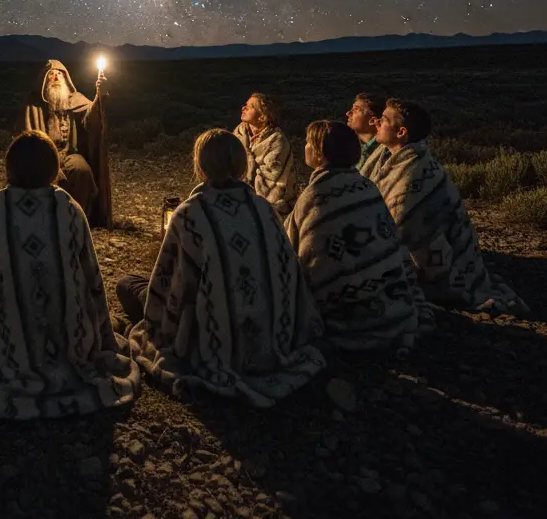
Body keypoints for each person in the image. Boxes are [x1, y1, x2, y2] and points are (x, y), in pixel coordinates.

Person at [0, 131, 139, 418]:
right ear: (53, 170)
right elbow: (91, 281)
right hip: (71, 345)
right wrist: (101, 335)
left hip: (2, 347)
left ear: (10, 169)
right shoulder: (69, 210)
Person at [118, 129, 325, 407]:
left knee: (127, 285)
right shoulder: (264, 208)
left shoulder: (190, 214)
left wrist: (162, 327)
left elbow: (171, 288)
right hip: (270, 331)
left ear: (200, 166)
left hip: (214, 337)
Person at [362, 99, 526, 315]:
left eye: (383, 120)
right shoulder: (389, 159)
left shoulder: (414, 174)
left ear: (401, 132)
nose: (376, 123)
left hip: (435, 267)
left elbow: (396, 228)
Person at [286, 120, 433, 354]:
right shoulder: (366, 186)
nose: (303, 147)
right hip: (394, 307)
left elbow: (294, 253)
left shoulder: (316, 196)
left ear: (319, 153)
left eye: (307, 143)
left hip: (346, 317)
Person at [17, 59, 111, 226]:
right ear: (44, 80)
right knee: (45, 176)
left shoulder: (75, 99)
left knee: (82, 170)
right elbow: (28, 136)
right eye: (51, 75)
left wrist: (99, 96)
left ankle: (77, 218)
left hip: (68, 154)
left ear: (66, 79)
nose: (55, 78)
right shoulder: (34, 103)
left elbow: (91, 119)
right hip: (42, 156)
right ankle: (44, 219)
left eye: (59, 74)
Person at [233, 92, 299, 219]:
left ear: (262, 117)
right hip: (242, 200)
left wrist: (244, 174)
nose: (243, 108)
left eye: (250, 106)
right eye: (245, 105)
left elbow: (271, 183)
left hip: (274, 208)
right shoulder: (239, 133)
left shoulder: (277, 142)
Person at [345, 92, 386, 165]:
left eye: (356, 109)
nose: (348, 113)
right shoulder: (347, 148)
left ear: (373, 120)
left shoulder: (385, 155)